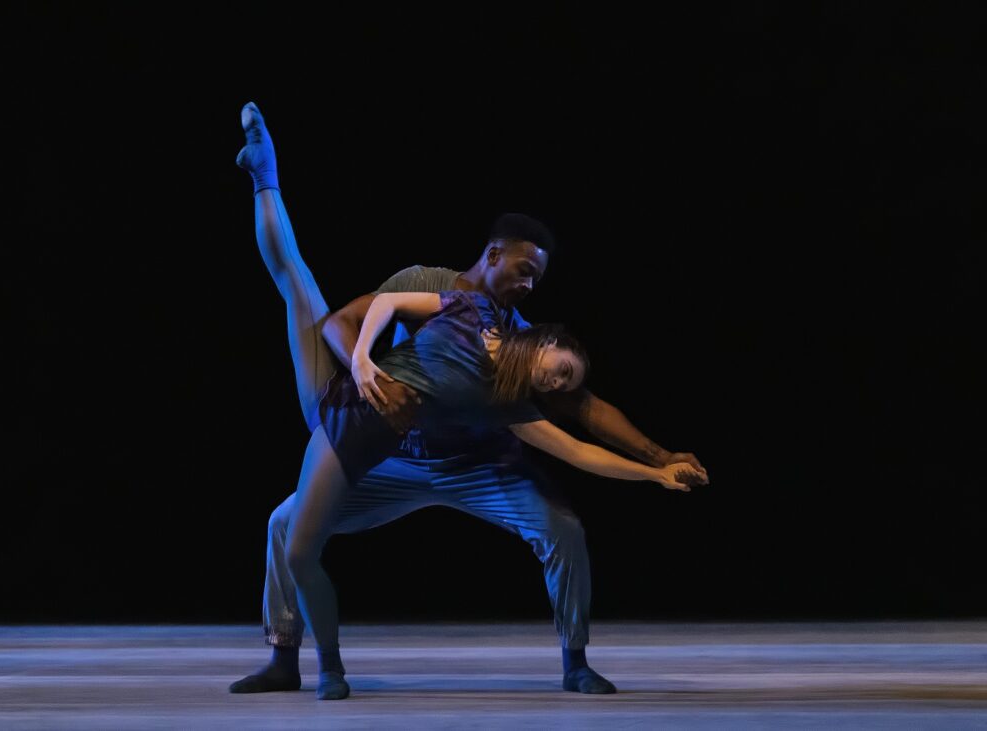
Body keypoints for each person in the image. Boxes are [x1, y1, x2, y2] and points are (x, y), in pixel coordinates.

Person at [229, 102, 710, 699]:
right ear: (491, 254)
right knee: (285, 523)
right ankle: (284, 656)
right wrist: (370, 375)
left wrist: (659, 458)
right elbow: (339, 322)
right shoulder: (425, 285)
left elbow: (584, 412)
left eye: (538, 277)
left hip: (481, 467)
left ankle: (575, 662)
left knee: (562, 528)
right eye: (524, 269)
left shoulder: (520, 343)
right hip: (396, 455)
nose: (530, 284)